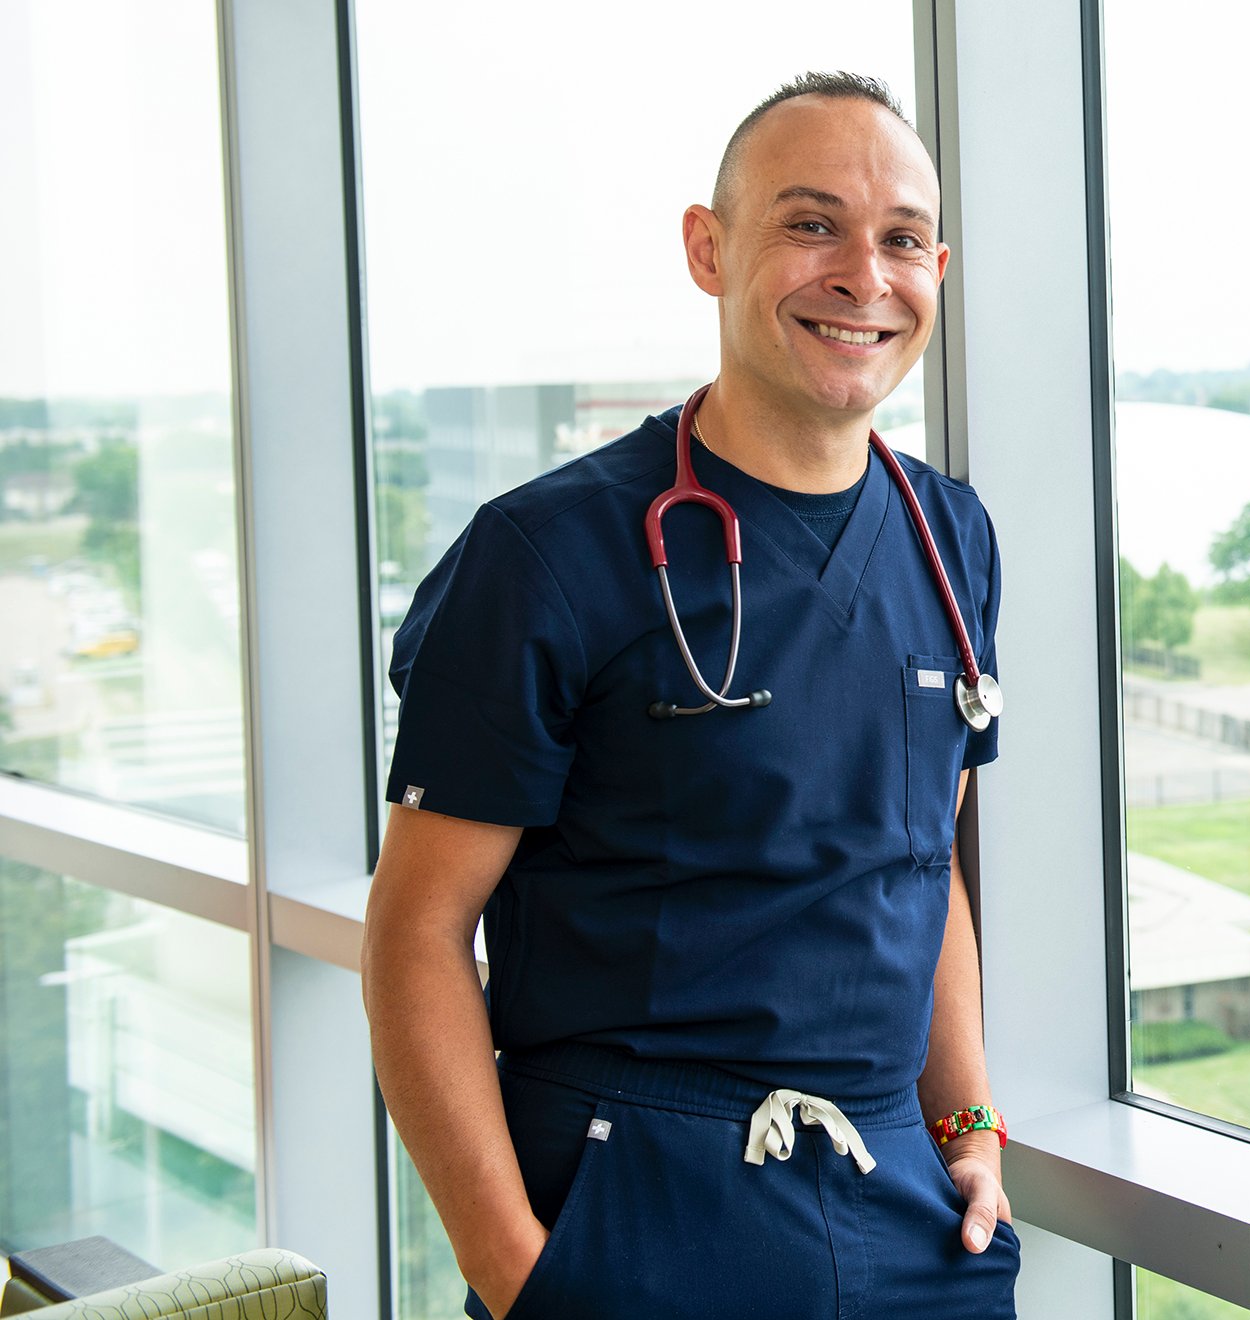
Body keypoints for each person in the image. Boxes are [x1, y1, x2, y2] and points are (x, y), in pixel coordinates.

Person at [359, 71, 1017, 1320]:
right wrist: (517, 1270)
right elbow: (417, 934)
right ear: (708, 250)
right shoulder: (547, 556)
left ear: (938, 265)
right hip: (630, 1200)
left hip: (909, 1215)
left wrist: (969, 1122)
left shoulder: (953, 537)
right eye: (810, 224)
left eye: (898, 241)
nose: (862, 277)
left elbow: (923, 870)